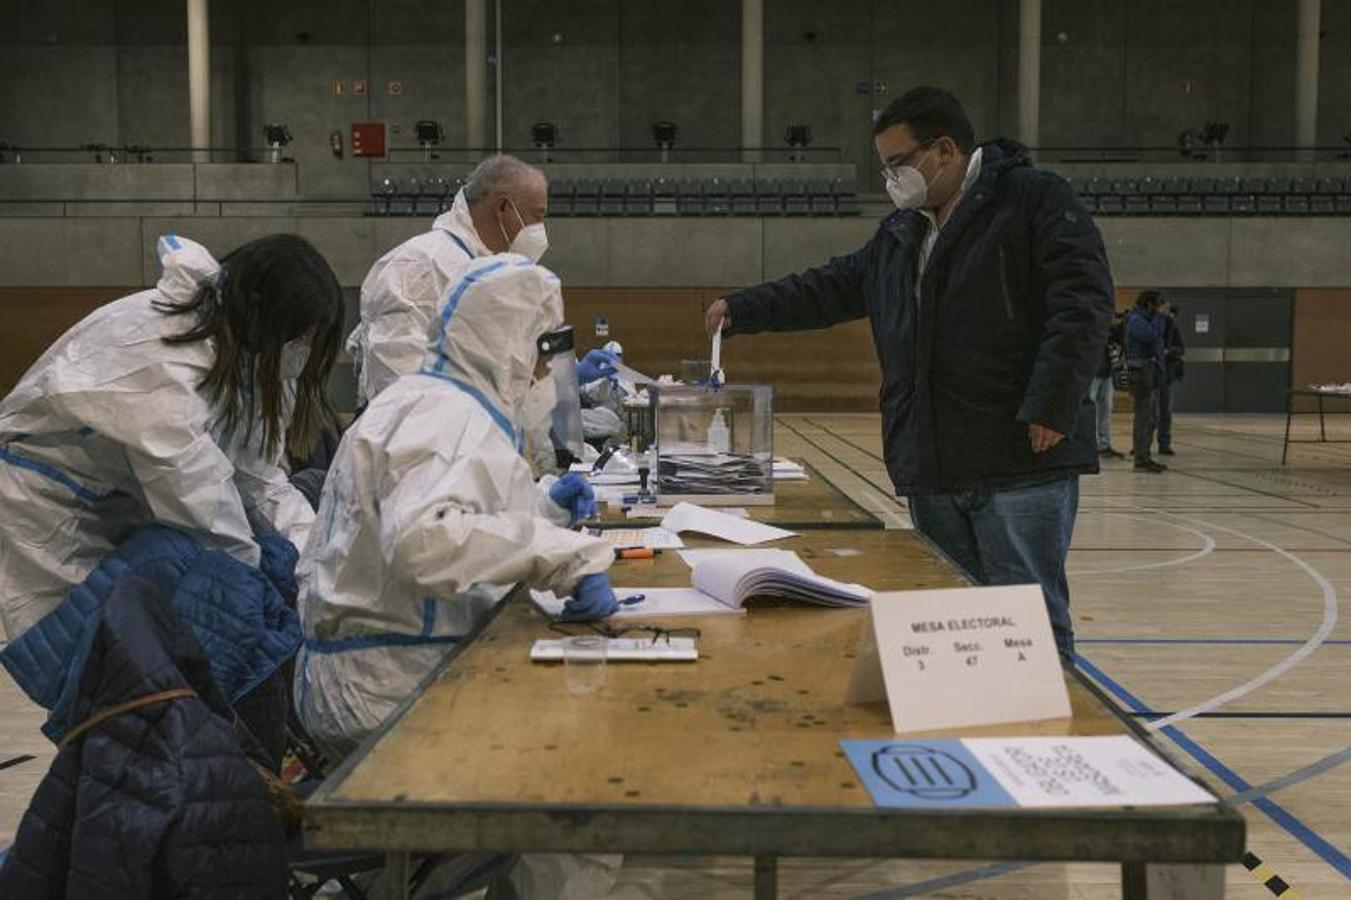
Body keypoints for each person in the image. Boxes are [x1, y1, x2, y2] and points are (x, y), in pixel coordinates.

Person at [704, 86, 1113, 657]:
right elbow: (833, 287)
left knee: (1031, 628)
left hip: (1019, 459)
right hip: (933, 460)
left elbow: (1084, 302)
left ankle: (1047, 742)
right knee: (957, 627)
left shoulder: (1033, 199)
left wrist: (1053, 401)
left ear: (943, 149)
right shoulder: (902, 232)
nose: (891, 179)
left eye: (899, 163)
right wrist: (743, 308)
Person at [295, 256, 617, 763]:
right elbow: (423, 541)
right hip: (387, 685)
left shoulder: (432, 400)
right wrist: (558, 554)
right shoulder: (444, 415)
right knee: (579, 762)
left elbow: (455, 511)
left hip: (379, 665)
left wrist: (544, 509)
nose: (543, 371)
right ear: (512, 342)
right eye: (543, 350)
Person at [0, 233, 343, 640]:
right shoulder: (164, 356)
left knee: (133, 661)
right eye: (303, 336)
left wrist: (313, 557)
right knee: (92, 661)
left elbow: (258, 478)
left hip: (122, 503)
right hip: (47, 503)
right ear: (268, 315)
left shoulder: (253, 361)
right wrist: (261, 577)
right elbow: (202, 503)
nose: (305, 349)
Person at [1125, 290, 1168, 473]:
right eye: (1158, 304)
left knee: (1150, 418)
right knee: (1144, 417)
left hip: (1150, 374)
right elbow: (1152, 336)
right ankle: (1141, 459)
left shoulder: (1143, 319)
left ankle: (1145, 455)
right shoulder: (1136, 320)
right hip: (1141, 374)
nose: (1161, 308)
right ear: (1149, 304)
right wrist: (1160, 317)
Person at [1088, 310, 1125, 459]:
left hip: (1106, 373)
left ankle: (1103, 443)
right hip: (1091, 374)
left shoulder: (1110, 330)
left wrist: (1120, 326)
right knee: (1089, 409)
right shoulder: (1091, 326)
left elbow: (1120, 341)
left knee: (1106, 409)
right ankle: (1089, 443)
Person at [1157, 301, 1186, 456]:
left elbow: (1181, 349)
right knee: (1148, 412)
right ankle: (1142, 446)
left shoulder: (1172, 328)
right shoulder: (1150, 325)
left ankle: (1164, 443)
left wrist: (1169, 351)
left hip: (1166, 374)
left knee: (1165, 412)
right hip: (1151, 374)